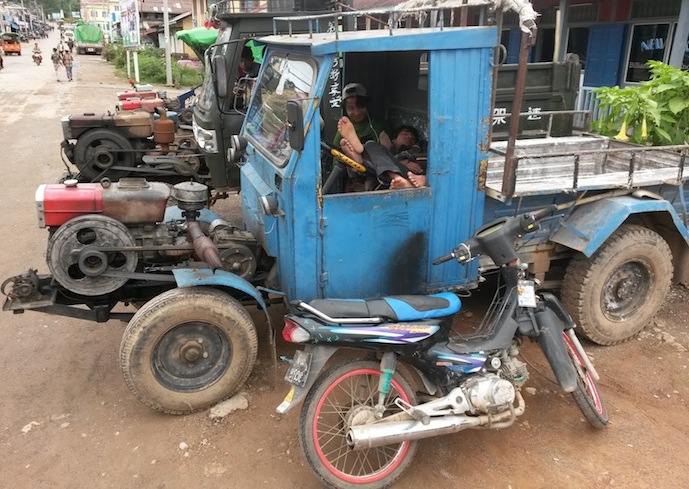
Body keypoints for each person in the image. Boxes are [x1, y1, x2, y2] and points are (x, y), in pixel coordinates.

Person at [338, 118, 427, 190]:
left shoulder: (414, 151)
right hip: (379, 176)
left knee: (370, 147)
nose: (409, 137)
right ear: (394, 139)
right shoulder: (386, 151)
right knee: (371, 145)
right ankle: (358, 158)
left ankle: (396, 177)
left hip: (409, 176)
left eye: (412, 137)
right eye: (405, 134)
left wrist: (408, 162)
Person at [333, 83, 392, 150]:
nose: (356, 112)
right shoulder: (344, 128)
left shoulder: (380, 125)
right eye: (351, 108)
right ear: (345, 110)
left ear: (367, 105)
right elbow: (335, 155)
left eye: (360, 106)